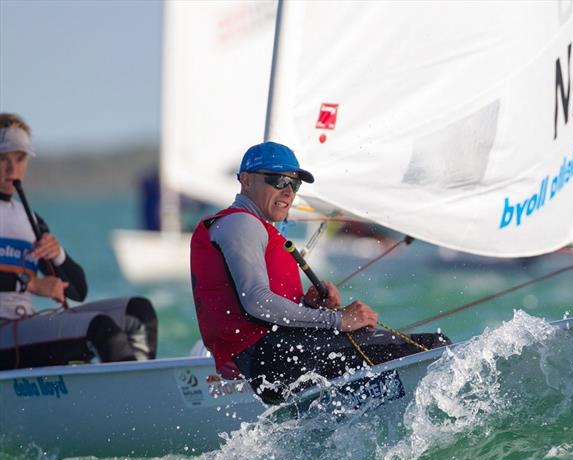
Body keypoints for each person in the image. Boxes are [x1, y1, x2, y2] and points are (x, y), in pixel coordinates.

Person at [190, 141, 450, 404]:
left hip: (276, 358)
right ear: (246, 180)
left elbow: (250, 306)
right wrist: (338, 321)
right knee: (435, 346)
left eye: (295, 184)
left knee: (415, 345)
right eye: (278, 180)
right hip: (274, 358)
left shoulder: (251, 226)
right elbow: (257, 302)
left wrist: (309, 304)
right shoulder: (241, 223)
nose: (288, 191)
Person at [0, 113, 158, 369]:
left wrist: (58, 254)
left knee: (137, 312)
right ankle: (132, 399)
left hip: (21, 328)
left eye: (19, 159)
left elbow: (77, 290)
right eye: (3, 159)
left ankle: (139, 390)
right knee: (98, 327)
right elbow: (35, 285)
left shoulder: (30, 218)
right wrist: (31, 284)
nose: (12, 169)